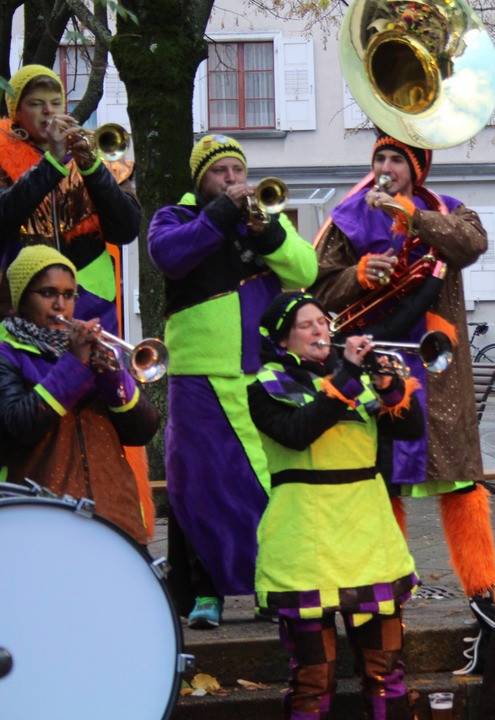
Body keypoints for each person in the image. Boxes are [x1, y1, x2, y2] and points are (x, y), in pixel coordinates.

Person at [310, 128, 495, 667]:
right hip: (377, 365)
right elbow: (316, 286)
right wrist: (356, 275)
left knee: (460, 479)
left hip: (439, 371)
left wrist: (409, 214)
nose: (386, 167)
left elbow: (471, 246)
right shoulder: (347, 216)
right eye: (380, 158)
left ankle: (484, 587)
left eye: (397, 159)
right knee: (383, 480)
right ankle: (389, 584)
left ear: (417, 169)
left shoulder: (452, 212)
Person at [147, 134, 318, 628]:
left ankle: (272, 583)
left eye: (237, 172)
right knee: (197, 486)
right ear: (200, 178)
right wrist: (223, 213)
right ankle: (207, 593)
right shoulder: (175, 216)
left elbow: (305, 268)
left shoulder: (262, 218)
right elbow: (170, 256)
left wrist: (265, 231)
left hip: (257, 369)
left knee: (266, 484)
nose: (233, 181)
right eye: (220, 172)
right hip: (197, 373)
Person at [248, 292, 422, 719]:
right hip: (304, 541)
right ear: (284, 339)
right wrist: (346, 374)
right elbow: (297, 431)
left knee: (386, 672)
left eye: (322, 322)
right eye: (306, 325)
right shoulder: (264, 385)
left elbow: (412, 430)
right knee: (314, 677)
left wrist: (388, 386)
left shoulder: (358, 379)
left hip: (368, 537)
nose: (319, 330)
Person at [0, 245, 159, 544]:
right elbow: (17, 425)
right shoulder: (8, 356)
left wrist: (113, 377)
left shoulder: (92, 352)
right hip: (42, 523)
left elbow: (144, 430)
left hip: (116, 519)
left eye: (69, 294)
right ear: (22, 299)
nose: (61, 305)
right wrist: (73, 365)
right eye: (48, 293)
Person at [0, 64, 140, 335]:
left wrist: (91, 167)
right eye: (37, 104)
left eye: (56, 103)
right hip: (24, 303)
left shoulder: (92, 151)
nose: (49, 111)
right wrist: (51, 163)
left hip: (93, 300)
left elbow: (127, 228)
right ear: (17, 112)